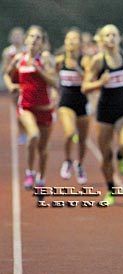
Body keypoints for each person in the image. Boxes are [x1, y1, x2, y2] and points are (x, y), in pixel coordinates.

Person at [81, 24, 123, 205]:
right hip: (104, 114)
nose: (112, 38)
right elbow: (85, 87)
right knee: (105, 156)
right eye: (108, 35)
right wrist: (100, 83)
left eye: (114, 34)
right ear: (102, 40)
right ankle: (111, 189)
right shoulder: (98, 60)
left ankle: (121, 155)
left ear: (119, 38)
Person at [3, 25, 57, 199]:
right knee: (33, 135)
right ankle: (29, 172)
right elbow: (6, 74)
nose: (34, 40)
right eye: (31, 37)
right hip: (26, 107)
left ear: (42, 42)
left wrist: (38, 69)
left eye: (38, 38)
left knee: (43, 150)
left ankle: (40, 180)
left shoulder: (46, 58)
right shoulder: (19, 58)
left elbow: (55, 82)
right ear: (26, 40)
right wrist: (11, 85)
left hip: (45, 109)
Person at [56, 28, 91, 184]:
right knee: (70, 133)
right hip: (65, 102)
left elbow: (89, 79)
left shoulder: (85, 60)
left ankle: (80, 165)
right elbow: (52, 77)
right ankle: (68, 160)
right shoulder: (60, 60)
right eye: (68, 39)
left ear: (80, 43)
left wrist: (77, 68)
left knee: (83, 139)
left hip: (82, 102)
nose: (71, 41)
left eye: (74, 39)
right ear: (65, 42)